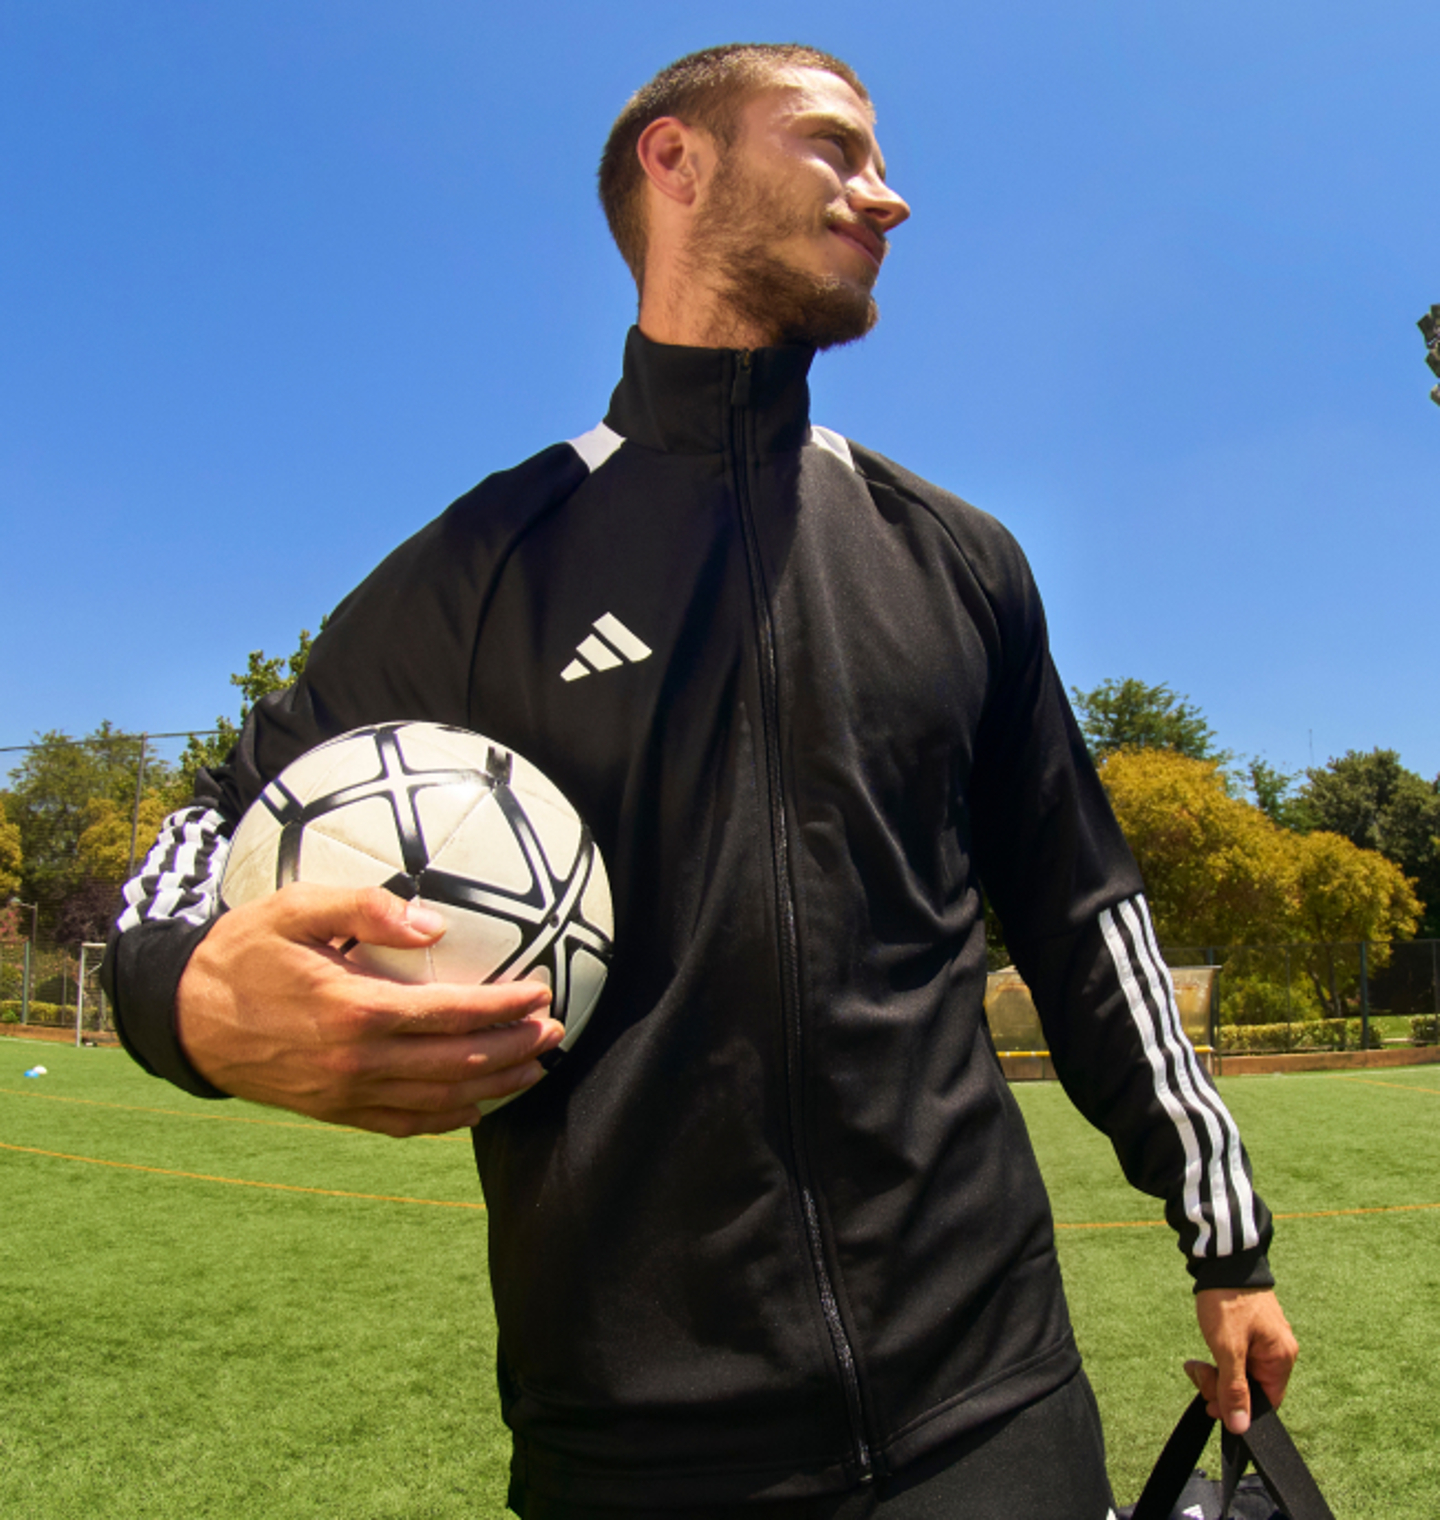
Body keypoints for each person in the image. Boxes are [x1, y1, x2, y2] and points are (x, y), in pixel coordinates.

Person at [104, 42, 1298, 1519]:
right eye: (837, 148)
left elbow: (1083, 911)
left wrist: (1227, 1245)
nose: (889, 194)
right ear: (675, 162)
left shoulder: (955, 557)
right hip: (633, 1444)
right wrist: (194, 998)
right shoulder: (492, 566)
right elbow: (203, 826)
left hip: (988, 1405)